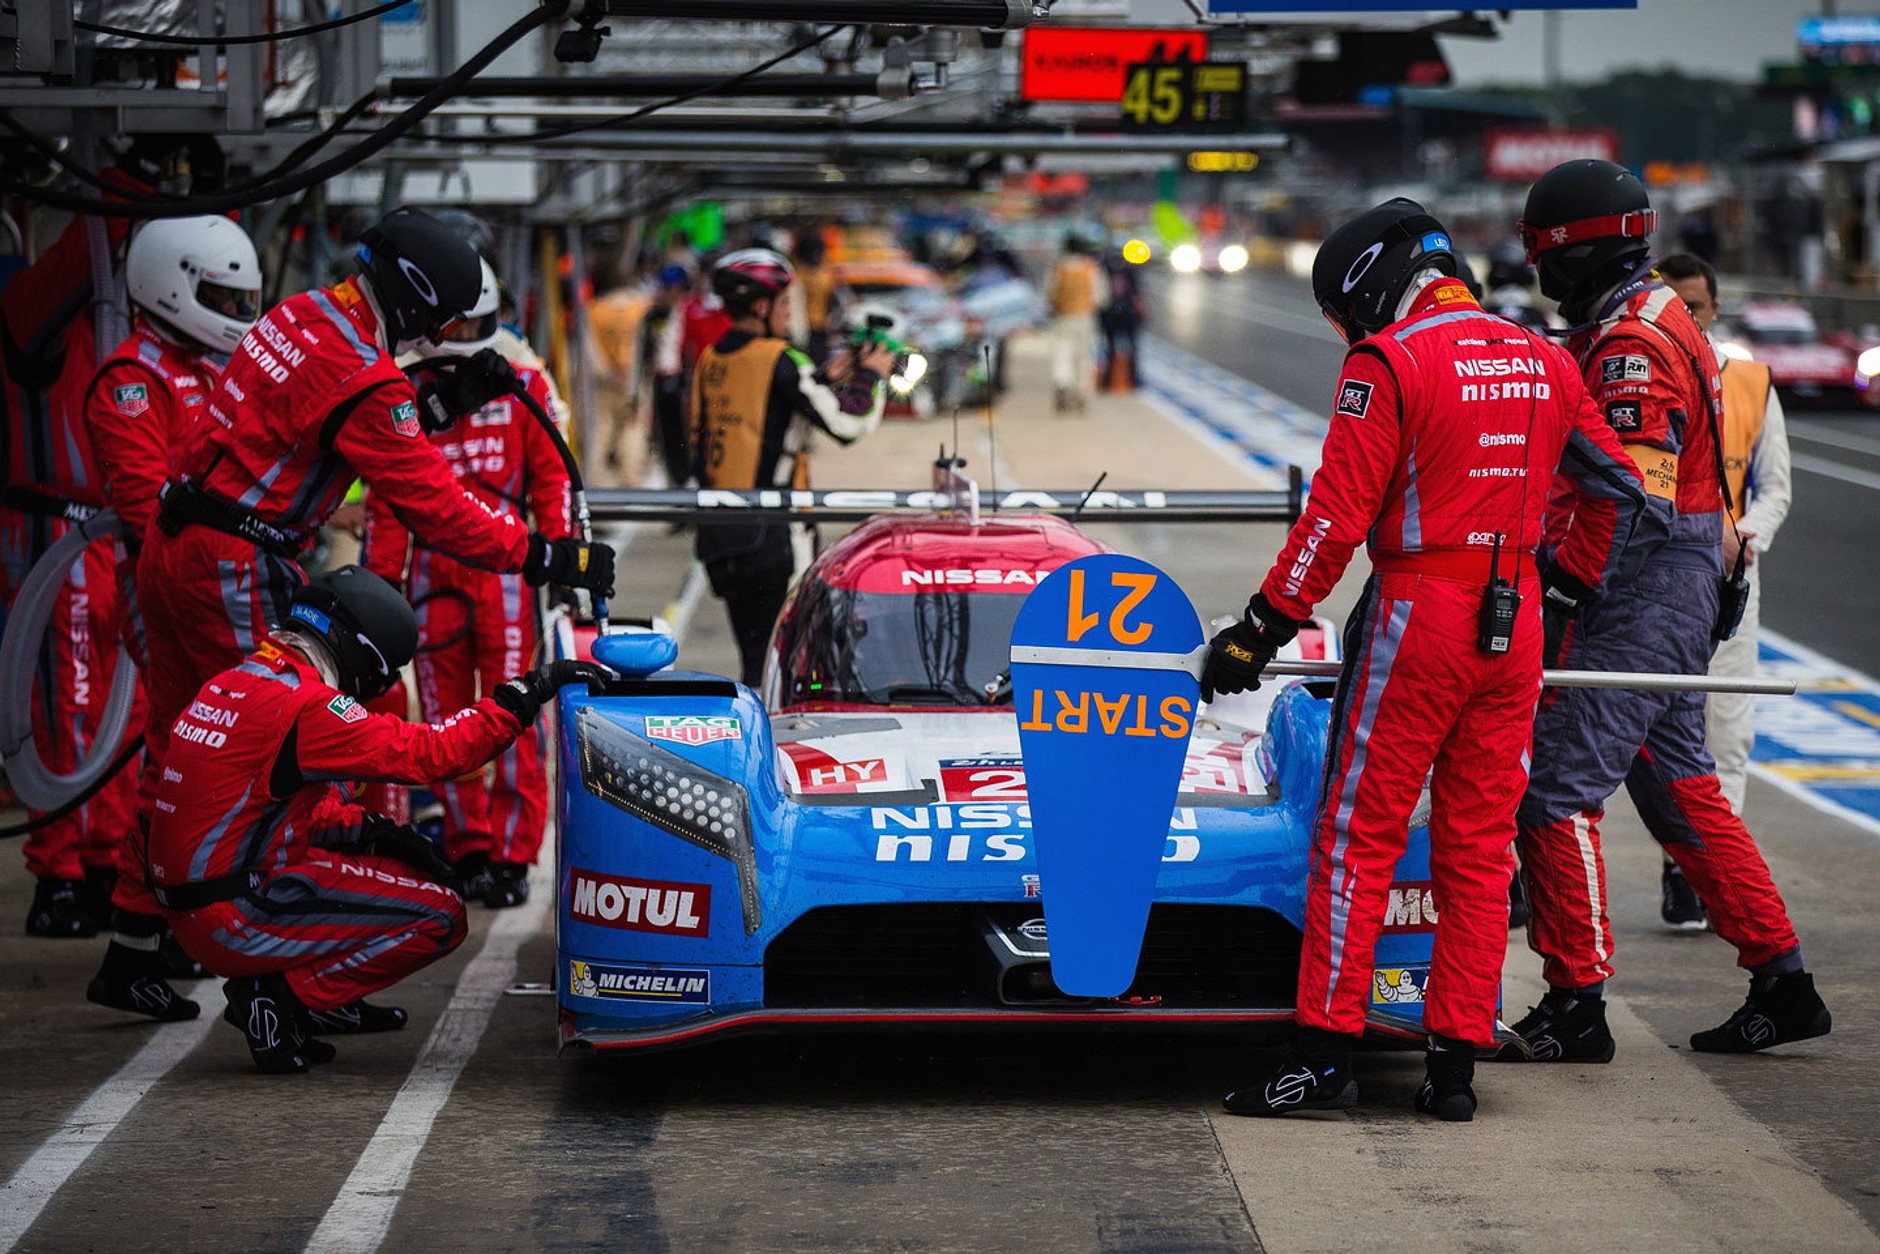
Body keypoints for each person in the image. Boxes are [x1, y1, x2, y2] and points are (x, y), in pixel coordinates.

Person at [91, 208, 616, 1019]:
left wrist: (429, 411)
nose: (440, 336)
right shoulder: (366, 378)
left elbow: (319, 423)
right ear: (412, 302)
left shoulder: (299, 316)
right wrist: (544, 553)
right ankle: (286, 956)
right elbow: (433, 502)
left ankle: (132, 943)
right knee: (285, 741)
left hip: (178, 546)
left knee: (174, 744)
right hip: (237, 562)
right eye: (438, 319)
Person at [1205, 200, 1654, 1122]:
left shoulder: (1389, 362)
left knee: (1355, 835)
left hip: (1421, 614)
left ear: (1373, 282)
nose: (1350, 331)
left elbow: (1333, 516)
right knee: (1481, 850)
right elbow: (1622, 482)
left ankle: (1324, 1054)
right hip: (1516, 618)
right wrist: (1567, 582)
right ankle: (1454, 1067)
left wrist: (1260, 629)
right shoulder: (1543, 355)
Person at [1510, 160, 1830, 1061]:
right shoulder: (1652, 316)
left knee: (1553, 796)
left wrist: (1566, 581)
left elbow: (1633, 496)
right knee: (1680, 786)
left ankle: (1577, 1003)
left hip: (1641, 588)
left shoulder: (1631, 347)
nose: (1540, 275)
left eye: (1545, 257)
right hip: (1680, 581)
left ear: (1578, 251)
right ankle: (1785, 980)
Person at [145, 566, 605, 1073]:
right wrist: (530, 690)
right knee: (441, 914)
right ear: (357, 649)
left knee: (387, 854)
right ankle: (279, 997)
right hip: (233, 914)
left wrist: (377, 834)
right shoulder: (306, 707)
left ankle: (314, 995)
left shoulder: (239, 680)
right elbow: (433, 753)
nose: (378, 686)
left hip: (191, 908)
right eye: (381, 672)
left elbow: (255, 814)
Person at [71, 215, 262, 1007]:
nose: (233, 308)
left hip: (207, 586)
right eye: (219, 293)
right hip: (164, 593)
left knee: (186, 762)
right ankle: (143, 941)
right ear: (169, 282)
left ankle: (145, 942)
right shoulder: (130, 380)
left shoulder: (208, 366)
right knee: (193, 761)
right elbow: (149, 508)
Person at [364, 255, 572, 909]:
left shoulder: (526, 384)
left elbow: (553, 478)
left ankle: (512, 855)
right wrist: (380, 585)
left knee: (514, 709)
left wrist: (564, 556)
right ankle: (469, 845)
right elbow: (389, 500)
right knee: (448, 716)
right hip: (432, 572)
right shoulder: (399, 392)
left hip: (509, 570)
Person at [1, 161, 147, 942]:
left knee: (127, 709)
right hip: (51, 532)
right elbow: (74, 261)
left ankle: (98, 861)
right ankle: (56, 873)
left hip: (110, 532)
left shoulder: (118, 324)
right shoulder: (33, 309)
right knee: (66, 702)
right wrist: (128, 182)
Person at [1655, 251, 1792, 931]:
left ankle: (1696, 874)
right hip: (1652, 582)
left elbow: (1777, 489)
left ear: (1714, 310)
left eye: (1697, 306)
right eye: (1674, 304)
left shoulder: (1751, 382)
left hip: (1731, 582)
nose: (1689, 317)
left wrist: (1745, 534)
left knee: (1727, 731)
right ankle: (1681, 857)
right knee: (1656, 730)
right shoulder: (1639, 372)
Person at [690, 248, 889, 685]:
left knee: (753, 660)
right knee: (787, 665)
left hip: (721, 536)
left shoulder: (711, 358)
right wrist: (871, 375)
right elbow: (848, 423)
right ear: (761, 308)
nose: (787, 315)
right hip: (775, 536)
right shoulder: (782, 358)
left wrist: (820, 379)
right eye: (783, 305)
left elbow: (737, 421)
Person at [1046, 233, 1103, 413]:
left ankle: (1062, 384)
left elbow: (1049, 291)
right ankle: (1081, 392)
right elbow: (1100, 296)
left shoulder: (1058, 268)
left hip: (1063, 317)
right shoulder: (1091, 268)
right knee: (1084, 356)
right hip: (1085, 317)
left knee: (1062, 353)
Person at [1098, 243, 1147, 391]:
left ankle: (1109, 380)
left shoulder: (1104, 270)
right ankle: (1131, 379)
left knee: (1111, 348)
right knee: (1129, 348)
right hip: (1124, 313)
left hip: (1112, 312)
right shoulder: (1129, 270)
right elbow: (1136, 293)